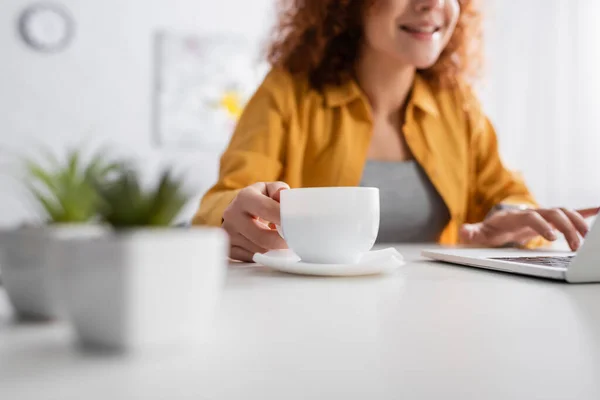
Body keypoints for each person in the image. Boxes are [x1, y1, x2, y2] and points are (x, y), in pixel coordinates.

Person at [193, 0, 597, 262]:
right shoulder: (287, 92)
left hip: (438, 319)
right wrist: (235, 217)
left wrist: (509, 220)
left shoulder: (457, 105)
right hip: (310, 318)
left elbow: (509, 196)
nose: (433, 5)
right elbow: (223, 202)